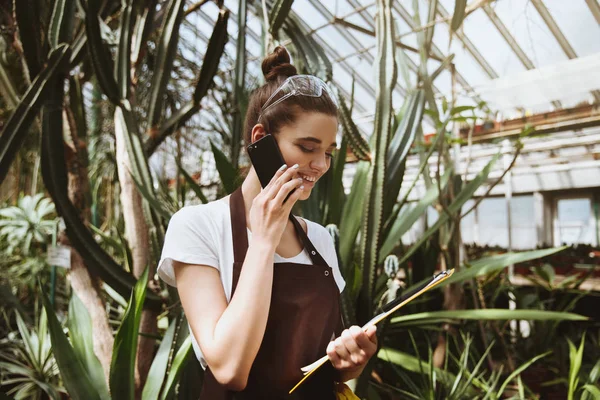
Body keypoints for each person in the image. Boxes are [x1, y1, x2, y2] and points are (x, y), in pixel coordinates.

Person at [157, 46, 377, 400]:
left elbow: (320, 355)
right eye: (307, 147)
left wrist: (350, 360)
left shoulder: (319, 239)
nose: (321, 165)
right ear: (261, 140)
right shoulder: (197, 227)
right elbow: (229, 369)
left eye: (329, 152)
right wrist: (263, 240)